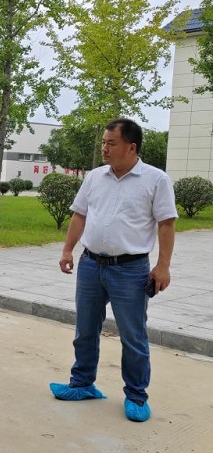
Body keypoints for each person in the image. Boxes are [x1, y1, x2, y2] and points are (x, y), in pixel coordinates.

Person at [50, 118, 177, 423]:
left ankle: (136, 395)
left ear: (131, 147)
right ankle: (82, 384)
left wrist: (163, 266)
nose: (104, 148)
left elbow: (166, 224)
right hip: (91, 264)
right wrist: (68, 249)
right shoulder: (95, 177)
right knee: (85, 329)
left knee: (133, 336)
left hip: (130, 270)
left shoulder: (156, 180)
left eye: (111, 143)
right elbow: (79, 215)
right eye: (103, 142)